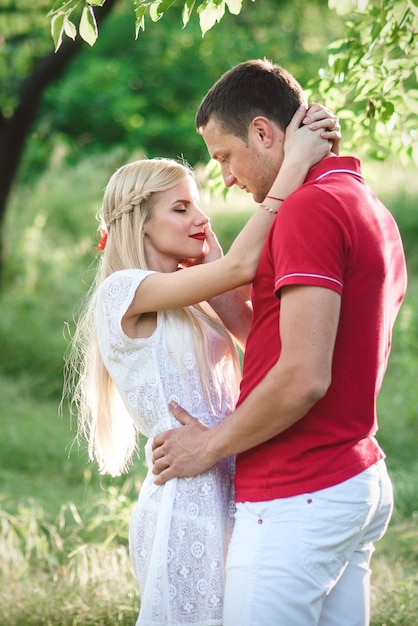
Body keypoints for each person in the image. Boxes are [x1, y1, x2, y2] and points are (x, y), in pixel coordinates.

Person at [152, 59, 408, 626]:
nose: (226, 177)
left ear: (264, 133)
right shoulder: (363, 201)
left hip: (298, 493)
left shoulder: (308, 210)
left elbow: (303, 376)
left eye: (224, 157)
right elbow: (282, 336)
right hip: (349, 478)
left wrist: (209, 445)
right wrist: (216, 279)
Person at [66, 103, 339, 626]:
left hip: (231, 482)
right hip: (186, 505)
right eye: (182, 209)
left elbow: (259, 337)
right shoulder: (123, 291)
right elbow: (244, 264)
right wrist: (293, 167)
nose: (202, 217)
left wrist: (211, 263)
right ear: (138, 223)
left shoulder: (189, 297)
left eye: (198, 206)